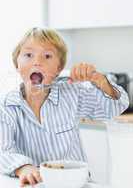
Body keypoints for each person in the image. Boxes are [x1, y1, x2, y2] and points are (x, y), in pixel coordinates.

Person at [0, 27, 129, 187]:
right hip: (36, 184)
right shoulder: (6, 105)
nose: (37, 62)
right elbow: (3, 150)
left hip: (76, 182)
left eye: (47, 56)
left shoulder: (73, 93)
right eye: (28, 55)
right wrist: (23, 167)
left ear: (58, 69)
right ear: (17, 64)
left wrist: (100, 81)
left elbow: (116, 107)